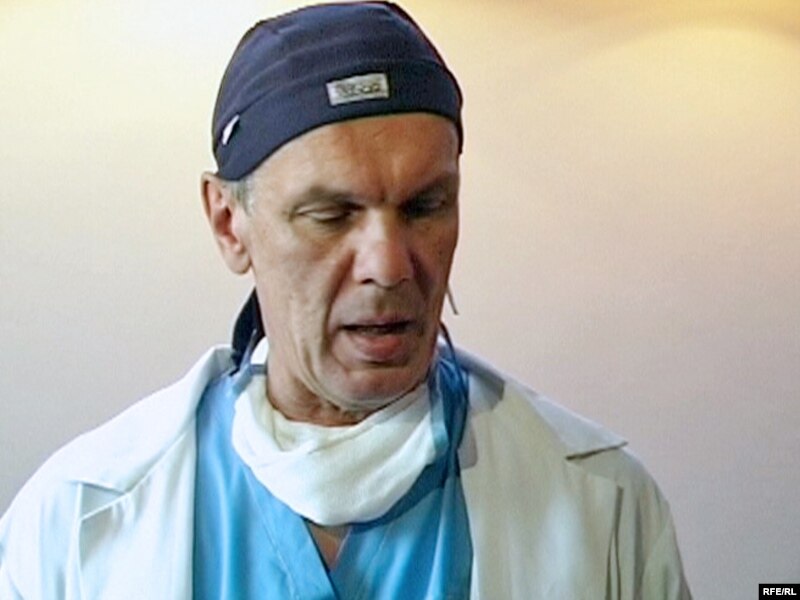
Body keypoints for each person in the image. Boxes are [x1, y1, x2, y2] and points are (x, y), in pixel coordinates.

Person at [0, 3, 691, 598]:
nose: (389, 266)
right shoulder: (71, 526)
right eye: (330, 215)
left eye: (425, 206)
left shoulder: (607, 508)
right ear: (229, 224)